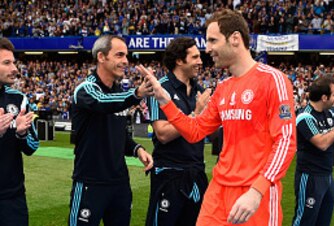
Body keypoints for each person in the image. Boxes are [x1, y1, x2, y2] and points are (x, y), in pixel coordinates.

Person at [138, 9, 296, 226]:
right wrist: (166, 101)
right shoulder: (223, 88)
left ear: (235, 39)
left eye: (212, 40)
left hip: (255, 193)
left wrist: (257, 190)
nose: (208, 48)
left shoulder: (273, 80)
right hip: (218, 191)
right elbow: (195, 132)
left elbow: (286, 141)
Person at [69, 35, 153, 226]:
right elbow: (103, 103)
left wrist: (137, 149)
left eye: (126, 56)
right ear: (101, 57)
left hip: (119, 183)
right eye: (119, 55)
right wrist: (137, 94)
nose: (125, 61)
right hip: (90, 182)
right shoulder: (85, 89)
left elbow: (119, 135)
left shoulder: (119, 94)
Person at [145, 37, 211, 226]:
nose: (200, 62)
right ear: (180, 61)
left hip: (197, 173)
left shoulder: (199, 90)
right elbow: (163, 134)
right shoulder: (160, 88)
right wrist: (196, 113)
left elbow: (209, 132)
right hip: (170, 174)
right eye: (195, 57)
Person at [0, 38, 39, 226]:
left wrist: (22, 134)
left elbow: (33, 146)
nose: (14, 68)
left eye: (13, 62)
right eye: (7, 63)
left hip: (12, 199)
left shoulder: (19, 99)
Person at [292, 76, 334, 226]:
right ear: (324, 97)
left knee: (324, 221)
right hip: (310, 177)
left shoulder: (329, 114)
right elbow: (323, 143)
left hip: (327, 176)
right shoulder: (305, 116)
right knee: (305, 221)